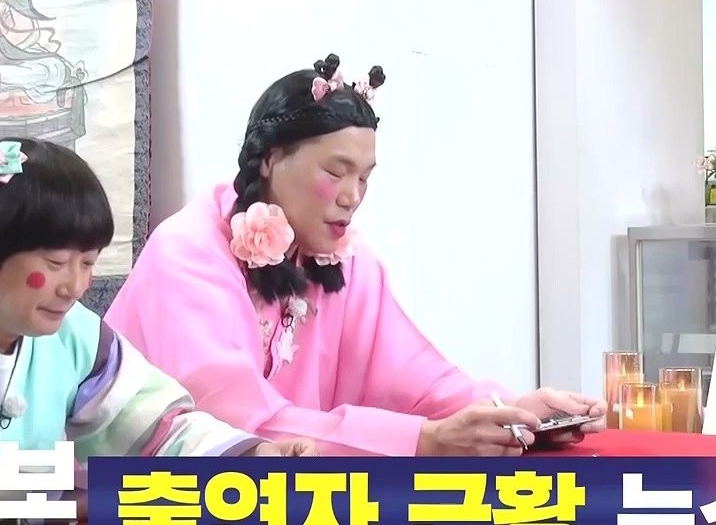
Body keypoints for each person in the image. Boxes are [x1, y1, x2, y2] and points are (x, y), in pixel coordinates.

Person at [103, 53, 606, 457]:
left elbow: (417, 380)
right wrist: (424, 442)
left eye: (364, 177)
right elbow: (237, 428)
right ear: (272, 159)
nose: (353, 196)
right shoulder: (188, 255)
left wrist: (514, 413)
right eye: (335, 172)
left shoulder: (339, 258)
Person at [0, 138, 314, 524]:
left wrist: (251, 456)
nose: (74, 286)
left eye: (87, 263)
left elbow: (158, 430)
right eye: (55, 263)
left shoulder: (74, 335)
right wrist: (81, 491)